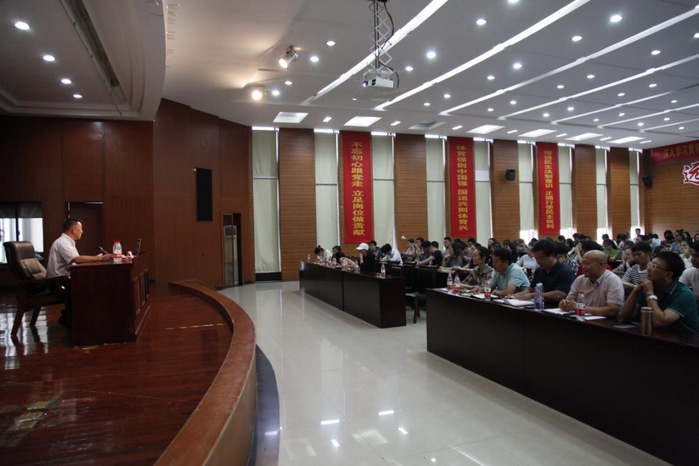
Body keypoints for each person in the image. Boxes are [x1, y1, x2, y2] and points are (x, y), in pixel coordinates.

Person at [47, 217, 113, 326]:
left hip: (64, 278)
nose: (82, 231)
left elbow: (75, 261)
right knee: (93, 285)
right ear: (73, 230)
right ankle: (75, 318)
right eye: (80, 229)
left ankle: (77, 317)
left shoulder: (68, 242)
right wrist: (99, 258)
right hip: (59, 281)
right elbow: (77, 259)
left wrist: (95, 259)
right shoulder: (63, 243)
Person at [619, 251, 699, 334]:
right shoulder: (648, 286)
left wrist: (650, 294)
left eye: (654, 266)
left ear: (668, 275)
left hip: (686, 339)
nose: (648, 269)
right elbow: (623, 316)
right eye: (650, 264)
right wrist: (635, 291)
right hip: (658, 336)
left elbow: (660, 322)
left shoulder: (684, 294)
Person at [559, 250, 625, 317]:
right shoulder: (580, 279)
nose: (583, 267)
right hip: (581, 319)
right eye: (582, 263)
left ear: (601, 264)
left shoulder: (613, 280)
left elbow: (613, 310)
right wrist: (565, 304)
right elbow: (569, 300)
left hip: (605, 321)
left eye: (586, 264)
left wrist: (580, 307)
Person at [513, 240, 575, 305]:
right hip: (538, 306)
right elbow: (530, 289)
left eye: (541, 259)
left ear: (552, 255)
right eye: (536, 259)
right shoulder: (539, 270)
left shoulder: (565, 271)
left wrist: (533, 295)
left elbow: (561, 294)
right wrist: (516, 295)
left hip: (556, 308)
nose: (538, 262)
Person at [680, 241, 699, 305]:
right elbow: (678, 292)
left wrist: (688, 295)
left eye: (697, 256)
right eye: (692, 255)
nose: (692, 259)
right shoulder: (689, 272)